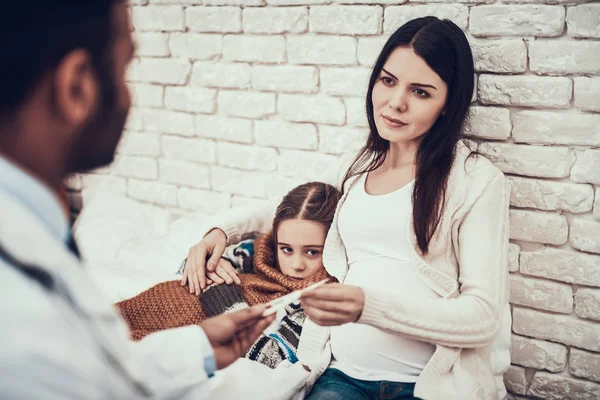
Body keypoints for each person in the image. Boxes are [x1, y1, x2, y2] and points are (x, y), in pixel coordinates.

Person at [182, 16, 511, 400]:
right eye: (388, 81)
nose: (396, 102)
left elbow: (482, 317)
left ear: (447, 104)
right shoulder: (357, 166)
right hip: (341, 376)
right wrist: (222, 231)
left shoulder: (476, 181)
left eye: (420, 92)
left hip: (429, 385)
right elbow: (293, 206)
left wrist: (367, 306)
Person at [0, 1, 275, 398]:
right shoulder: (21, 324)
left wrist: (195, 346)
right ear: (76, 87)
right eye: (125, 68)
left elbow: (92, 369)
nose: (129, 96)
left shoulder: (33, 222)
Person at [116, 182, 341, 369]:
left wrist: (225, 300)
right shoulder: (257, 256)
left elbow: (272, 357)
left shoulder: (317, 303)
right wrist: (207, 265)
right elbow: (185, 275)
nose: (296, 265)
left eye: (312, 252)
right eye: (286, 249)